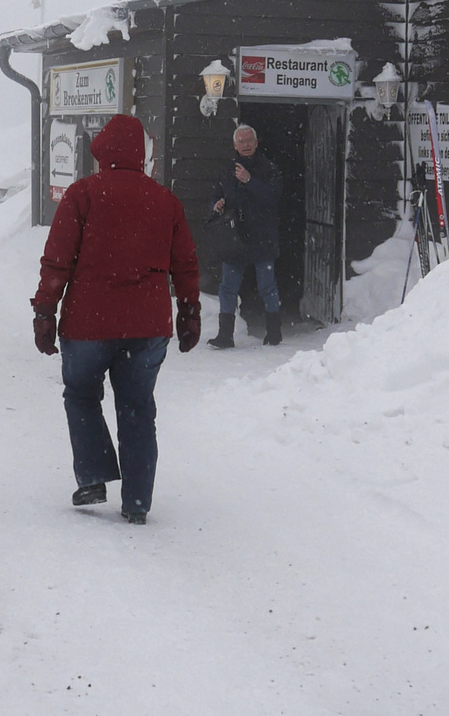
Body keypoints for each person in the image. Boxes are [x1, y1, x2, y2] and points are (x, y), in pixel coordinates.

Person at [31, 113, 200, 525]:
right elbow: (186, 265)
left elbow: (58, 259)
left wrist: (45, 310)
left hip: (89, 323)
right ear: (141, 155)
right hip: (147, 326)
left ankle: (92, 477)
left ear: (102, 151)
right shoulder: (165, 201)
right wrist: (189, 312)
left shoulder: (82, 194)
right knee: (138, 407)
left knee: (82, 395)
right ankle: (137, 500)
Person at [206, 123, 282, 348]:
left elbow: (273, 198)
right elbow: (215, 195)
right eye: (241, 141)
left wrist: (250, 181)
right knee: (228, 287)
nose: (246, 145)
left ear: (256, 143)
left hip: (262, 235)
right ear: (234, 145)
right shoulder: (227, 170)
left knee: (267, 287)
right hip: (234, 238)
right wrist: (216, 204)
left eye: (249, 141)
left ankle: (274, 333)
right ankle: (225, 336)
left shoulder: (269, 168)